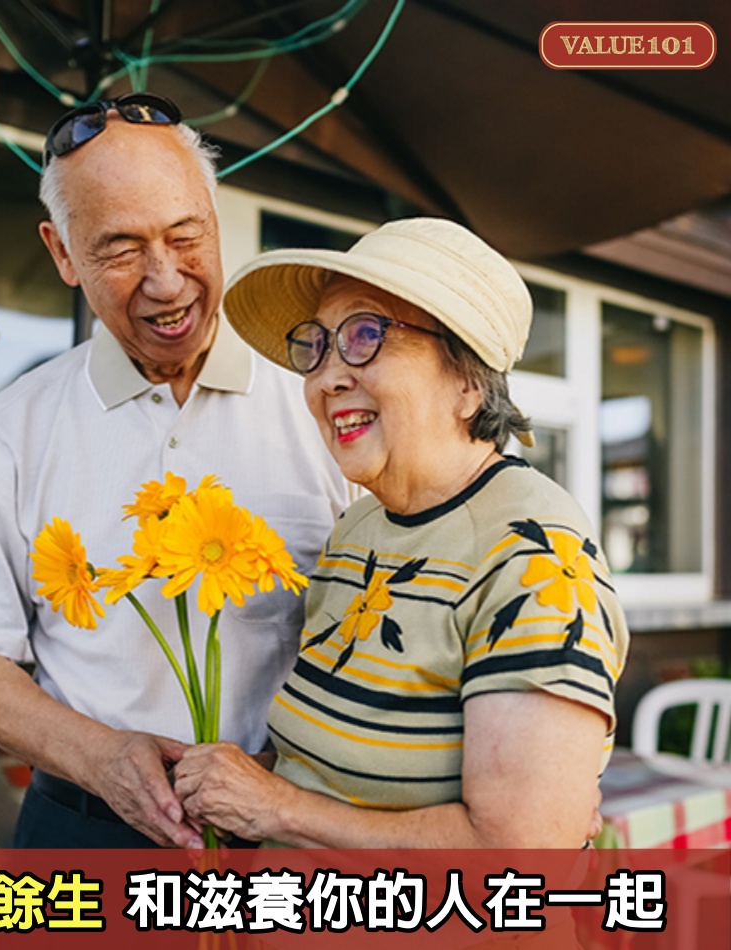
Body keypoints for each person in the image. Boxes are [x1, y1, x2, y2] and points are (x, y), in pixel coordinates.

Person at [0, 93, 350, 848]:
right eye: (121, 250)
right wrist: (99, 757)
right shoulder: (15, 425)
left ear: (216, 221)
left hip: (294, 838)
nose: (165, 282)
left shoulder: (324, 401)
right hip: (81, 832)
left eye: (187, 237)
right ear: (61, 253)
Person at [172, 217, 629, 848]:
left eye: (365, 334)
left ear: (469, 380)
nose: (327, 376)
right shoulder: (358, 529)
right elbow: (334, 767)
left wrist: (278, 809)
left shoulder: (534, 557)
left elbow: (521, 858)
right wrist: (239, 784)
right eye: (318, 345)